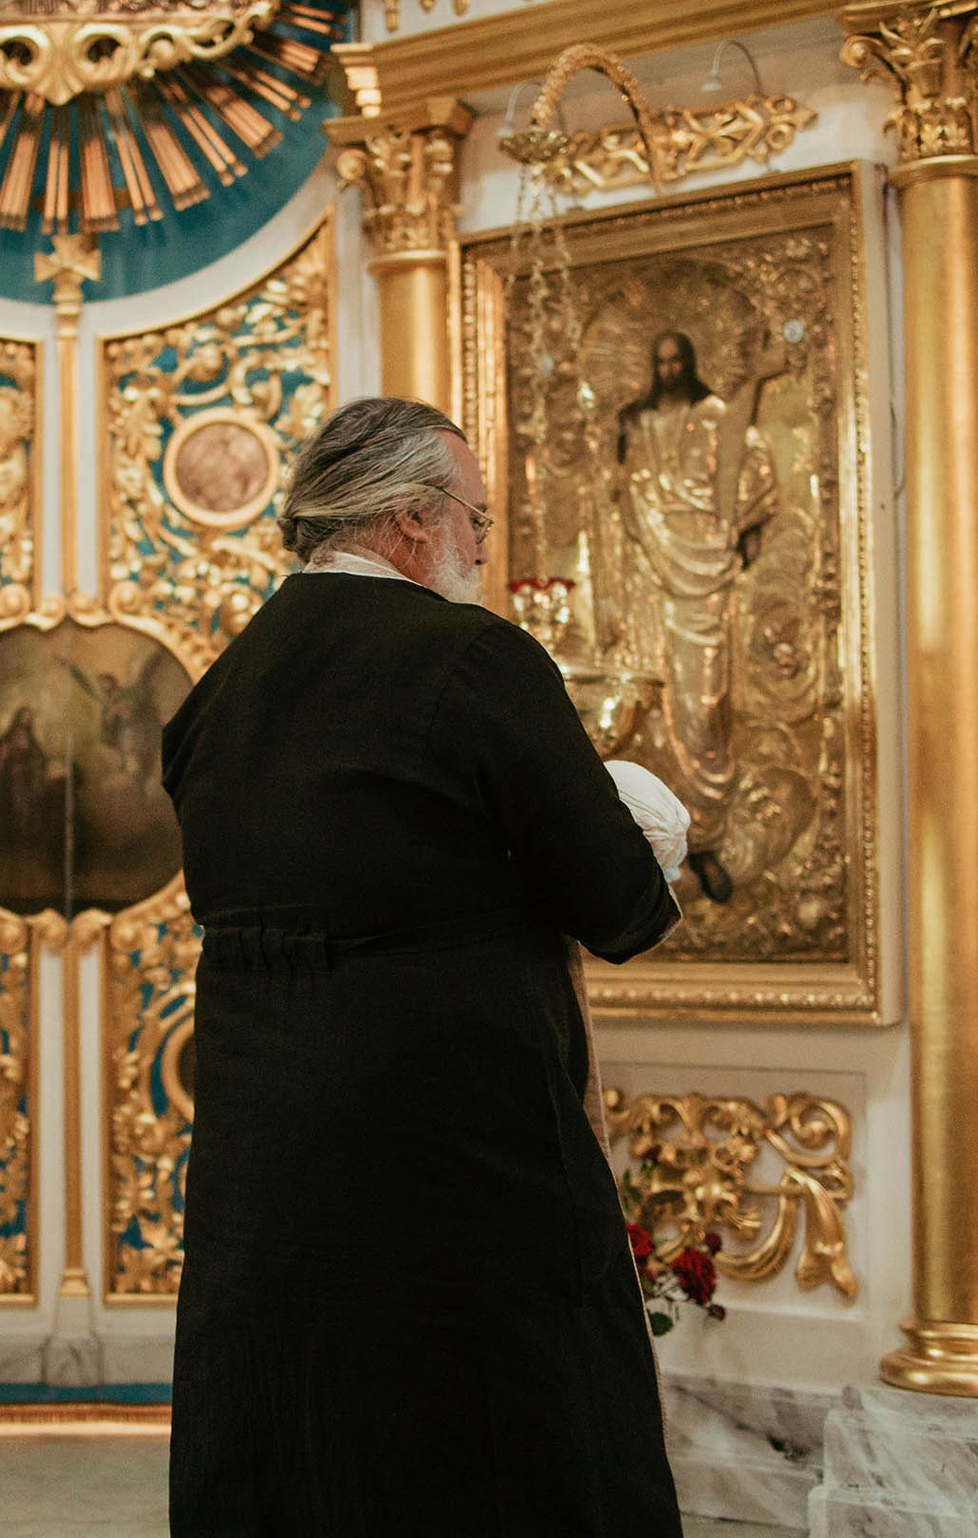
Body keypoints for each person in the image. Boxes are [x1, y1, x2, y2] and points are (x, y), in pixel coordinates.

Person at [160, 396, 687, 1535]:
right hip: (456, 1185)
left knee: (301, 1460)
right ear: (409, 520)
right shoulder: (474, 660)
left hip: (270, 1191)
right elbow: (620, 906)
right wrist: (644, 813)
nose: (485, 547)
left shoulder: (219, 691)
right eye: (476, 518)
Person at [613, 327, 780, 903]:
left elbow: (749, 460)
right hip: (649, 576)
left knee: (703, 704)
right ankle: (658, 844)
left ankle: (705, 836)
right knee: (651, 706)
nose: (667, 370)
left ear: (688, 363)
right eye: (657, 362)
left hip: (702, 568)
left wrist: (747, 529)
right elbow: (618, 490)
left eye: (675, 360)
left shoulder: (713, 414)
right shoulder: (636, 423)